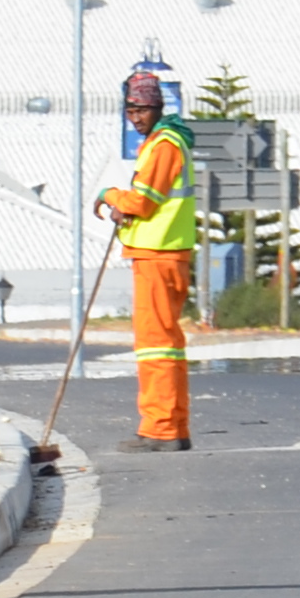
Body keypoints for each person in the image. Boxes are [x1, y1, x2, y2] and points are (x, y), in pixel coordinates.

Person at [99, 58, 198, 450]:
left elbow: (144, 201)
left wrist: (109, 196)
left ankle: (159, 429)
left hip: (158, 255)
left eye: (140, 109)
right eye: (130, 110)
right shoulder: (167, 143)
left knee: (155, 343)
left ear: (157, 109)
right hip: (165, 252)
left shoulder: (163, 146)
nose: (135, 117)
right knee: (168, 343)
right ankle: (174, 427)